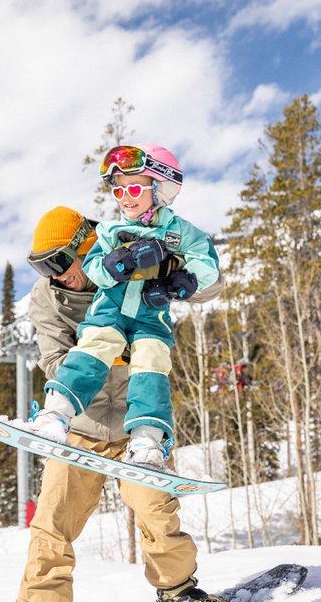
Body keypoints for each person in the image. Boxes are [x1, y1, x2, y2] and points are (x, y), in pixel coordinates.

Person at [16, 205, 225, 602]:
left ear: (86, 245)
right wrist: (109, 347)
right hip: (81, 432)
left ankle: (179, 591)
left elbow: (210, 285)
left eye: (58, 261)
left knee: (158, 512)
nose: (54, 275)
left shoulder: (127, 263)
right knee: (51, 530)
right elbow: (53, 362)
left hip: (135, 432)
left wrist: (169, 268)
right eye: (41, 266)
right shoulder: (45, 300)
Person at [28, 144, 221, 470]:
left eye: (133, 188)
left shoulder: (179, 233)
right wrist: (118, 264)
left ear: (159, 189)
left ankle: (147, 439)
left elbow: (208, 264)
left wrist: (183, 277)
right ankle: (56, 413)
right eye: (118, 190)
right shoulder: (111, 231)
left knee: (151, 366)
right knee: (91, 349)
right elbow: (95, 269)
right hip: (111, 310)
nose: (125, 197)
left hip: (150, 315)